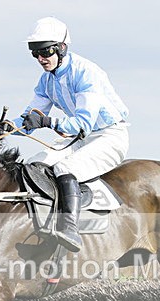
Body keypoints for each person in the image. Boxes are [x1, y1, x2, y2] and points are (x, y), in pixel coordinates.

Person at [12, 16, 129, 252]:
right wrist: (3, 126)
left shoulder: (86, 72)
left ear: (62, 48)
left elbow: (83, 122)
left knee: (65, 169)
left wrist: (45, 121)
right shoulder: (46, 80)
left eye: (45, 51)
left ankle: (70, 229)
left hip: (108, 136)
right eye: (34, 53)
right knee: (33, 165)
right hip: (80, 139)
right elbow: (28, 119)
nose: (40, 59)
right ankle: (42, 228)